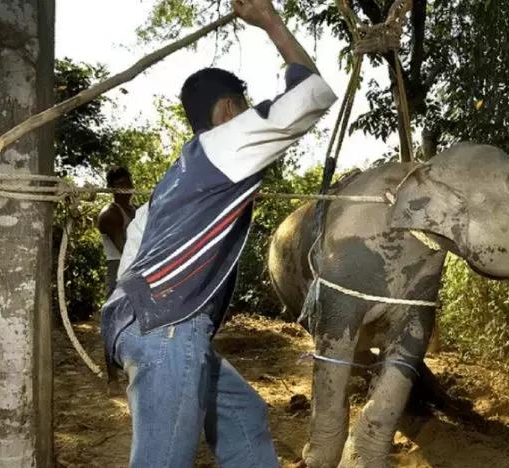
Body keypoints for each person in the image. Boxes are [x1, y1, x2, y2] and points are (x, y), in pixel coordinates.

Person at [99, 0, 337, 465]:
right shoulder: (225, 144)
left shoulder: (172, 182)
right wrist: (269, 20)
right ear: (229, 109)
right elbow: (313, 92)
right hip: (168, 330)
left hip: (140, 322)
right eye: (245, 109)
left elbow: (131, 255)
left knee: (241, 412)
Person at [97, 166, 136, 297]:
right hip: (120, 268)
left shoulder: (135, 210)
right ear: (111, 188)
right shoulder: (110, 214)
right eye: (120, 184)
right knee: (118, 315)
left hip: (135, 266)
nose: (126, 188)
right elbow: (124, 249)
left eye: (128, 183)